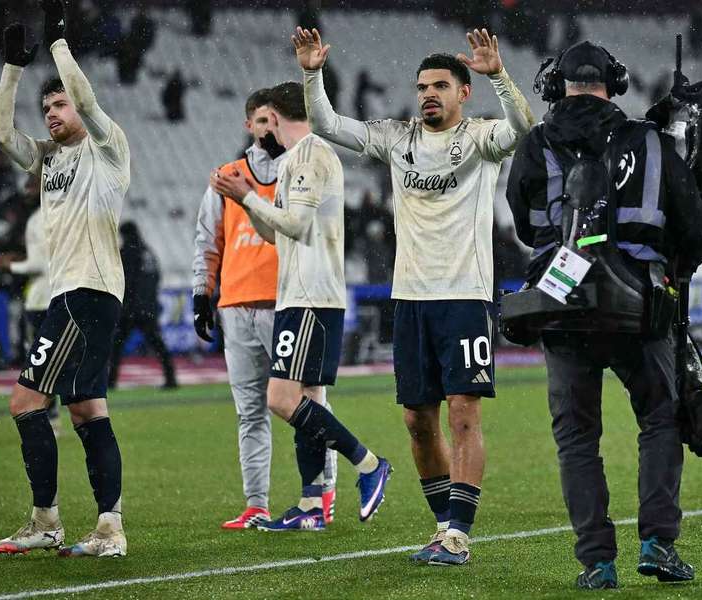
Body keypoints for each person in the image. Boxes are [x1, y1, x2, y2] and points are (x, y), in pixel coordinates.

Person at [295, 26, 534, 564]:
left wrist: (498, 74)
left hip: (465, 296)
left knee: (463, 411)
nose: (428, 93)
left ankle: (459, 533)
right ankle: (441, 527)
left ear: (462, 93)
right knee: (416, 420)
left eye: (441, 85)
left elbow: (524, 126)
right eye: (422, 85)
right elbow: (326, 123)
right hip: (410, 297)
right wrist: (312, 73)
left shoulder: (480, 138)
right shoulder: (396, 137)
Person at [506, 40, 702, 589]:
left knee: (577, 437)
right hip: (638, 308)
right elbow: (692, 230)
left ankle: (597, 561)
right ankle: (657, 545)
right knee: (660, 419)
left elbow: (526, 229)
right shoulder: (651, 141)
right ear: (614, 83)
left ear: (556, 86)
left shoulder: (535, 145)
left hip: (563, 304)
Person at [0, 0, 131, 558]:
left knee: (25, 401)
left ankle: (47, 521)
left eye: (59, 103)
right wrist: (13, 68)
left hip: (85, 291)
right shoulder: (49, 157)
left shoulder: (105, 145)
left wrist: (60, 46)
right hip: (76, 295)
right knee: (87, 408)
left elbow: (88, 101)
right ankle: (109, 528)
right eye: (45, 106)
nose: (50, 113)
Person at [214, 81, 392, 532]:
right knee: (308, 400)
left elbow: (295, 224)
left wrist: (247, 197)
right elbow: (276, 234)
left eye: (263, 121)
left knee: (280, 398)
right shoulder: (293, 160)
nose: (260, 132)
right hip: (300, 292)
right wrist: (247, 201)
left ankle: (369, 464)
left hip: (310, 296)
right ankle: (312, 504)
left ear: (273, 117)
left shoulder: (312, 155)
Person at [193, 88, 337, 529]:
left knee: (305, 401)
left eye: (272, 120)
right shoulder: (226, 176)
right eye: (259, 121)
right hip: (236, 304)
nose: (267, 128)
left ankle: (321, 493)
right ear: (248, 125)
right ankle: (257, 503)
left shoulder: (300, 166)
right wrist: (203, 292)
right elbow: (207, 239)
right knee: (250, 411)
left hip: (286, 300)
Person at [0, 206, 62, 435]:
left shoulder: (37, 219)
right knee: (53, 361)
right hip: (56, 296)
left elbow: (38, 265)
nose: (27, 188)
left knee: (39, 362)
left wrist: (11, 266)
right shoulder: (60, 215)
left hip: (40, 302)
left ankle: (46, 415)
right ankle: (53, 414)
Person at [108, 221, 177, 390]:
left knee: (116, 345)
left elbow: (126, 281)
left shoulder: (128, 251)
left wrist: (124, 305)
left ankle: (111, 381)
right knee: (157, 344)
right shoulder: (149, 252)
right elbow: (156, 278)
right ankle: (171, 378)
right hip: (149, 307)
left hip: (132, 308)